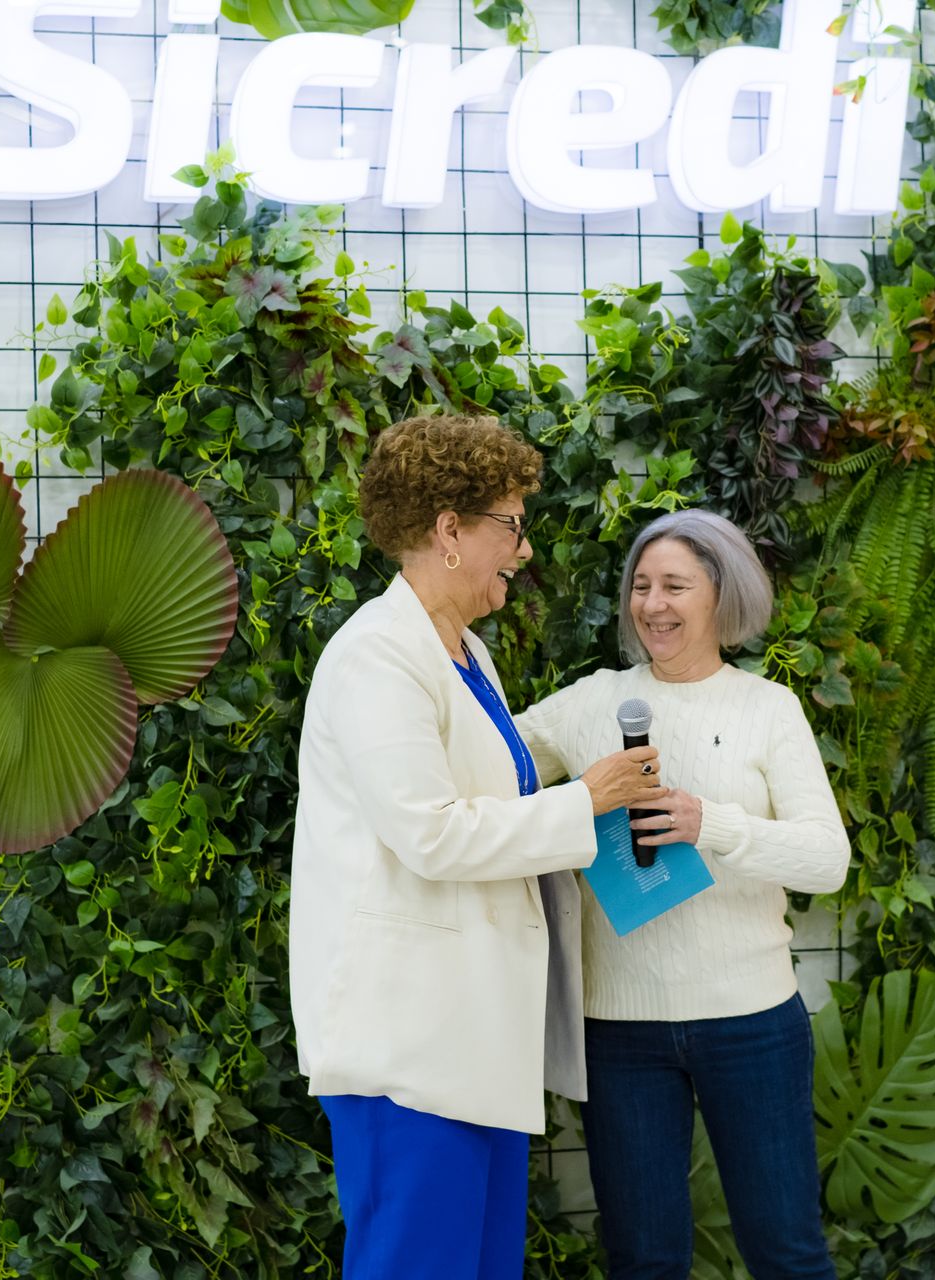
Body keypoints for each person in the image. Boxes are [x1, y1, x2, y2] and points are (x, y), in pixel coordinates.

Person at [290, 413, 665, 1279]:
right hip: (409, 1052)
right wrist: (584, 802)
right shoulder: (377, 659)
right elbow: (432, 831)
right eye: (511, 524)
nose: (523, 550)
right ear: (448, 530)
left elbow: (490, 796)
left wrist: (588, 785)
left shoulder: (466, 655)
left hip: (475, 1043)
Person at [516, 509, 849, 1280]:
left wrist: (712, 823)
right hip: (619, 1034)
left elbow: (827, 859)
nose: (652, 605)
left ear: (720, 596)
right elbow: (493, 765)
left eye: (674, 586)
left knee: (788, 1253)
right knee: (642, 1260)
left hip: (751, 1025)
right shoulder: (591, 703)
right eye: (640, 586)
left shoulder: (769, 709)